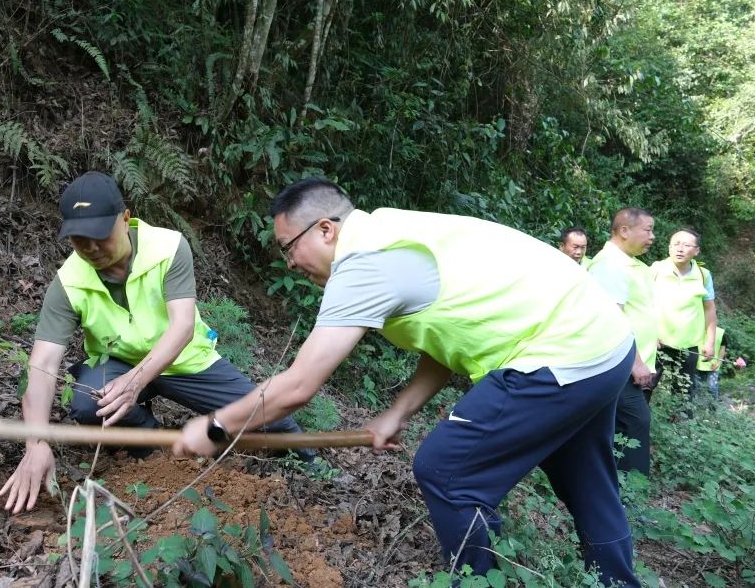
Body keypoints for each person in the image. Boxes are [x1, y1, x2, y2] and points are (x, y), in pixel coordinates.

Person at [174, 178, 641, 587]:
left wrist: (216, 426)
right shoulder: (393, 230)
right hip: (605, 342)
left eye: (288, 246)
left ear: (325, 229)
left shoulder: (365, 263)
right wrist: (397, 413)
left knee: (446, 471)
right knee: (588, 483)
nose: (290, 263)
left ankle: (477, 581)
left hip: (561, 351)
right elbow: (446, 339)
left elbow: (298, 386)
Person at [0, 172, 307, 514]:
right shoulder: (69, 281)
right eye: (80, 240)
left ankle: (310, 464)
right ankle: (151, 446)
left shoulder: (167, 247)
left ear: (125, 218)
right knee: (89, 403)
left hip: (185, 360)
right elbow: (42, 364)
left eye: (100, 235)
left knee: (271, 419)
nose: (92, 248)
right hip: (118, 364)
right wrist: (36, 442)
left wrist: (136, 381)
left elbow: (182, 326)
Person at [586, 208, 657, 477]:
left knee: (619, 427)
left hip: (636, 361)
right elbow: (611, 318)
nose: (652, 236)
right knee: (635, 421)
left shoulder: (633, 264)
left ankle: (612, 485)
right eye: (647, 230)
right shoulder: (609, 265)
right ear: (624, 231)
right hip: (619, 362)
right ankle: (629, 491)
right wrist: (635, 363)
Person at [650, 229, 717, 407]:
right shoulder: (656, 269)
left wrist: (710, 342)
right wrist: (649, 333)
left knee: (684, 394)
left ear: (696, 251)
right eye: (676, 244)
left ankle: (681, 423)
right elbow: (642, 304)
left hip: (688, 346)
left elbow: (709, 309)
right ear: (669, 248)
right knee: (645, 387)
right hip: (657, 342)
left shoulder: (703, 275)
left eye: (686, 245)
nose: (680, 249)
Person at [695, 326, 727, 401]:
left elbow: (722, 348)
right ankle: (697, 404)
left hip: (713, 365)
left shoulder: (720, 332)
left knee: (712, 387)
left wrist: (719, 362)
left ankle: (714, 405)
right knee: (696, 386)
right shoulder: (697, 328)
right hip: (697, 364)